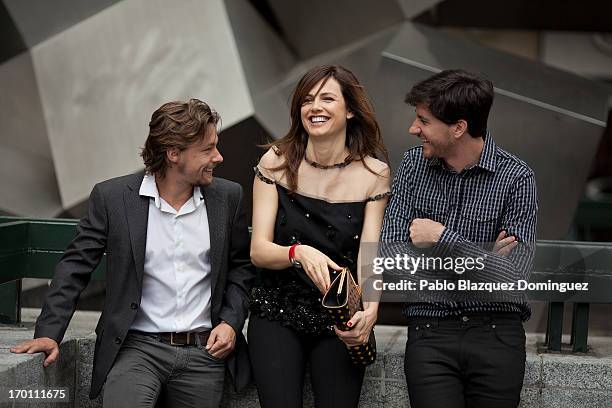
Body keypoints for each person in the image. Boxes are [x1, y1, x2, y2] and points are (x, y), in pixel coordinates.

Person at [11, 99, 255, 408]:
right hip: (137, 347)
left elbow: (240, 268)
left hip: (204, 352)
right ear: (174, 153)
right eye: (207, 150)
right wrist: (49, 333)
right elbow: (75, 267)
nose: (218, 157)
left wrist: (230, 322)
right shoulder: (113, 198)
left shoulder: (227, 197)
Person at [380, 69, 537, 408]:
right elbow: (391, 255)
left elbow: (516, 280)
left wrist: (443, 238)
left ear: (458, 127)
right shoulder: (411, 166)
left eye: (423, 120)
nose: (413, 129)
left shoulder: (517, 178)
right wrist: (486, 260)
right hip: (430, 332)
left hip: (497, 334)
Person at [248, 65, 391, 408]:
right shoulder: (275, 162)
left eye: (327, 98)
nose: (315, 107)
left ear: (350, 110)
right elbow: (258, 250)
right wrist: (298, 252)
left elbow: (369, 255)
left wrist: (370, 312)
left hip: (339, 315)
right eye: (307, 100)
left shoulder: (375, 174)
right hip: (277, 309)